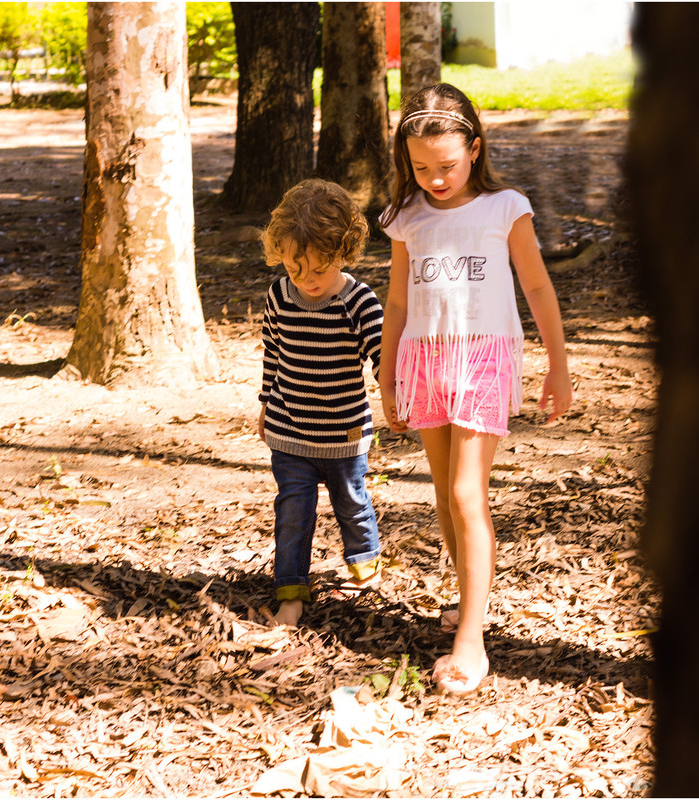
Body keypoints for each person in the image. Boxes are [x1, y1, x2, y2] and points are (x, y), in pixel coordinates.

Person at [379, 84, 573, 695]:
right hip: (424, 360)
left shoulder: (505, 207)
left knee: (468, 492)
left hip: (484, 358)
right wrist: (387, 376)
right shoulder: (406, 217)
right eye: (421, 168)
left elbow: (538, 287)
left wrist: (558, 364)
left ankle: (472, 640)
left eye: (448, 165)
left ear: (476, 149)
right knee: (443, 493)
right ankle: (470, 601)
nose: (436, 179)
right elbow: (398, 301)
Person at [258, 178, 385, 627]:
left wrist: (397, 394)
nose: (306, 280)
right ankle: (290, 589)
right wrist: (265, 404)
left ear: (344, 252)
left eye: (318, 269)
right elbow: (273, 352)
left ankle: (364, 557)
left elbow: (380, 355)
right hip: (290, 431)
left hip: (344, 435)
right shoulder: (278, 296)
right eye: (295, 269)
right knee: (293, 512)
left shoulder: (358, 301)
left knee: (351, 500)